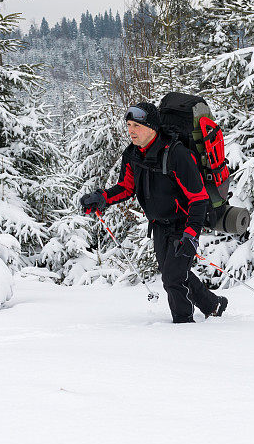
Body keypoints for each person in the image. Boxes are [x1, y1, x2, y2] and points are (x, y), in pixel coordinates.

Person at [80, 102, 228, 324]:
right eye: (128, 125)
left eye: (136, 126)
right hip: (159, 225)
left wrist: (191, 233)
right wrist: (102, 198)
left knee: (172, 279)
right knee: (177, 274)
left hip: (184, 223)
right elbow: (126, 187)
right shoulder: (132, 155)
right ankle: (213, 304)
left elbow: (198, 198)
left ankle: (184, 325)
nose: (131, 130)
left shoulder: (177, 154)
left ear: (152, 128)